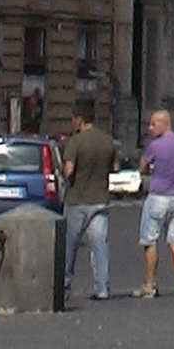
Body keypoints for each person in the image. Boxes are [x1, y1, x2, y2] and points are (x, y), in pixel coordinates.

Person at [62, 98, 119, 303]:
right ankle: (102, 288)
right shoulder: (107, 141)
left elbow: (68, 171)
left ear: (79, 120)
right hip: (100, 199)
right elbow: (116, 167)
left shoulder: (75, 141)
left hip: (77, 200)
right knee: (99, 245)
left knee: (69, 246)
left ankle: (64, 287)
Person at [135, 109, 174, 298]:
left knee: (150, 240)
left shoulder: (155, 146)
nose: (150, 128)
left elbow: (142, 167)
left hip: (158, 197)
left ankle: (150, 284)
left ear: (164, 124)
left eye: (153, 124)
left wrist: (150, 168)